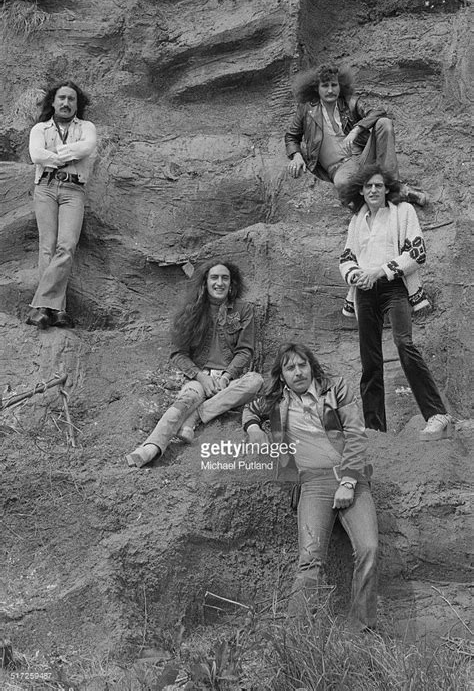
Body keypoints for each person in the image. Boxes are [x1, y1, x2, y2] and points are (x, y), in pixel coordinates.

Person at [243, 342, 378, 631]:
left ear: (311, 365)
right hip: (312, 484)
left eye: (302, 364)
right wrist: (253, 427)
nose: (297, 372)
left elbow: (356, 435)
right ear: (282, 375)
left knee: (369, 548)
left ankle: (361, 630)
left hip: (350, 478)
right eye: (289, 367)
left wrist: (349, 481)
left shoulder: (336, 388)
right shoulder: (277, 399)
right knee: (310, 558)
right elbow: (250, 409)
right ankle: (295, 635)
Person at [339, 164, 453, 440]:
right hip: (364, 291)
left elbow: (417, 252)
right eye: (368, 186)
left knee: (404, 342)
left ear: (387, 188)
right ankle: (375, 428)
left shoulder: (403, 212)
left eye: (378, 185)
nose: (374, 190)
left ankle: (437, 414)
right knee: (370, 359)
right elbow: (346, 257)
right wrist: (356, 275)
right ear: (362, 192)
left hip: (394, 287)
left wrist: (379, 271)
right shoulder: (358, 219)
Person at [125, 260, 263, 468]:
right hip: (198, 378)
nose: (219, 283)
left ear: (232, 283)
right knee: (184, 401)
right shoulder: (192, 311)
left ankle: (194, 417)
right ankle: (150, 447)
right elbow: (178, 354)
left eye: (225, 278)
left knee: (256, 380)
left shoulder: (244, 310)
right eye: (214, 278)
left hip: (229, 381)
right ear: (205, 282)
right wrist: (201, 377)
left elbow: (245, 351)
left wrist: (226, 376)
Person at [284, 63, 427, 206]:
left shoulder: (350, 102)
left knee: (384, 123)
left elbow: (378, 112)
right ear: (316, 88)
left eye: (334, 85)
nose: (330, 90)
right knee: (342, 183)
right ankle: (398, 191)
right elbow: (291, 136)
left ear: (340, 86)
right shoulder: (307, 109)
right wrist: (296, 156)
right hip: (340, 168)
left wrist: (356, 130)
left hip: (363, 157)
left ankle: (393, 186)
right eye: (325, 86)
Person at [26, 81, 97, 329]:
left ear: (78, 104)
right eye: (61, 98)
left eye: (71, 99)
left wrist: (53, 155)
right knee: (47, 247)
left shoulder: (86, 127)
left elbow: (87, 146)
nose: (66, 103)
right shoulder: (40, 129)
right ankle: (56, 311)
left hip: (73, 190)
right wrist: (68, 154)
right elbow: (36, 155)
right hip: (45, 188)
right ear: (53, 102)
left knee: (66, 246)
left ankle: (39, 307)